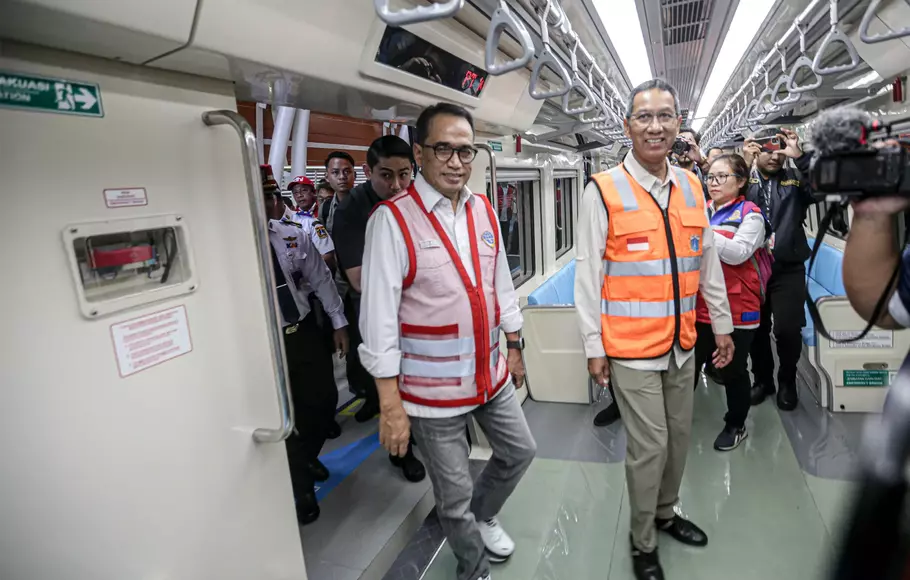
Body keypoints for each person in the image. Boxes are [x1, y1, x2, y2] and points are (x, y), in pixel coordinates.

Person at [359, 103, 536, 580]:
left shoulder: (483, 210)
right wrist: (390, 406)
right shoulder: (392, 222)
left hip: (490, 376)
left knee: (520, 451)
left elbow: (499, 284)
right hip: (432, 395)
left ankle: (485, 513)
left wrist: (514, 345)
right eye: (444, 150)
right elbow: (376, 322)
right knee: (452, 498)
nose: (457, 162)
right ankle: (473, 567)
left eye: (465, 150)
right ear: (420, 152)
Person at [575, 79, 734, 580]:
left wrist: (723, 327)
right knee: (651, 447)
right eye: (644, 117)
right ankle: (643, 541)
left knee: (680, 439)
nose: (656, 126)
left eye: (666, 116)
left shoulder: (690, 186)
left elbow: (706, 264)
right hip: (630, 349)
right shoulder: (601, 190)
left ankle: (666, 513)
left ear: (678, 125)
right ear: (627, 126)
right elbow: (588, 274)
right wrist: (592, 346)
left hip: (683, 344)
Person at [331, 135, 426, 483]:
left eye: (404, 174)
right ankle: (402, 452)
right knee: (389, 386)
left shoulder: (416, 201)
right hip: (377, 314)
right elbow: (359, 280)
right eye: (386, 175)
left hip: (415, 313)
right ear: (368, 172)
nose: (397, 184)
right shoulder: (353, 210)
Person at [262, 177, 349, 526]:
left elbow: (322, 280)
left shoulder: (292, 234)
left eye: (271, 195)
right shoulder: (227, 246)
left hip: (302, 333)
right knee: (287, 415)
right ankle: (300, 487)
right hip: (264, 343)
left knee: (324, 401)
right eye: (260, 196)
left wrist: (339, 322)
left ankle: (308, 455)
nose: (267, 202)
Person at [694, 154, 772, 451]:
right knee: (689, 365)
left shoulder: (751, 216)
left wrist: (701, 229)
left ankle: (736, 423)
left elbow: (737, 253)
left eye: (721, 177)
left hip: (739, 308)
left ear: (740, 181)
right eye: (710, 177)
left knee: (733, 369)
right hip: (702, 305)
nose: (713, 183)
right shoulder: (703, 210)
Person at [742, 127, 815, 410]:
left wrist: (800, 156)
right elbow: (714, 198)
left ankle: (787, 379)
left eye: (780, 149)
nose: (774, 156)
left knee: (787, 329)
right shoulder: (743, 181)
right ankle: (762, 380)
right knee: (755, 330)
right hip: (751, 269)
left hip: (787, 267)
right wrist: (744, 164)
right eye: (768, 149)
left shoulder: (796, 180)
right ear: (756, 150)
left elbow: (822, 190)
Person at [286, 176, 337, 274]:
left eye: (304, 190)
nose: (299, 195)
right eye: (295, 192)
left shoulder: (325, 209)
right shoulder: (293, 218)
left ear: (314, 193)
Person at [320, 151, 357, 235]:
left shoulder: (368, 204)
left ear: (354, 175)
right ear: (327, 177)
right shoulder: (325, 208)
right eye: (335, 172)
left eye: (347, 171)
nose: (342, 177)